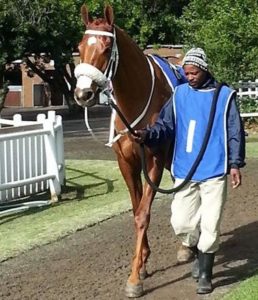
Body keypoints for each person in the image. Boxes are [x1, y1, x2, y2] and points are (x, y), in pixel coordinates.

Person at [132, 47, 245, 294]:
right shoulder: (180, 94)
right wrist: (147, 135)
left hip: (215, 168)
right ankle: (193, 246)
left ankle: (205, 273)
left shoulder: (224, 96)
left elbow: (235, 131)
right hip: (185, 169)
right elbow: (165, 126)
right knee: (181, 222)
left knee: (211, 224)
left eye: (194, 72)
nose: (190, 77)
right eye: (186, 72)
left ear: (204, 70)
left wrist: (235, 164)